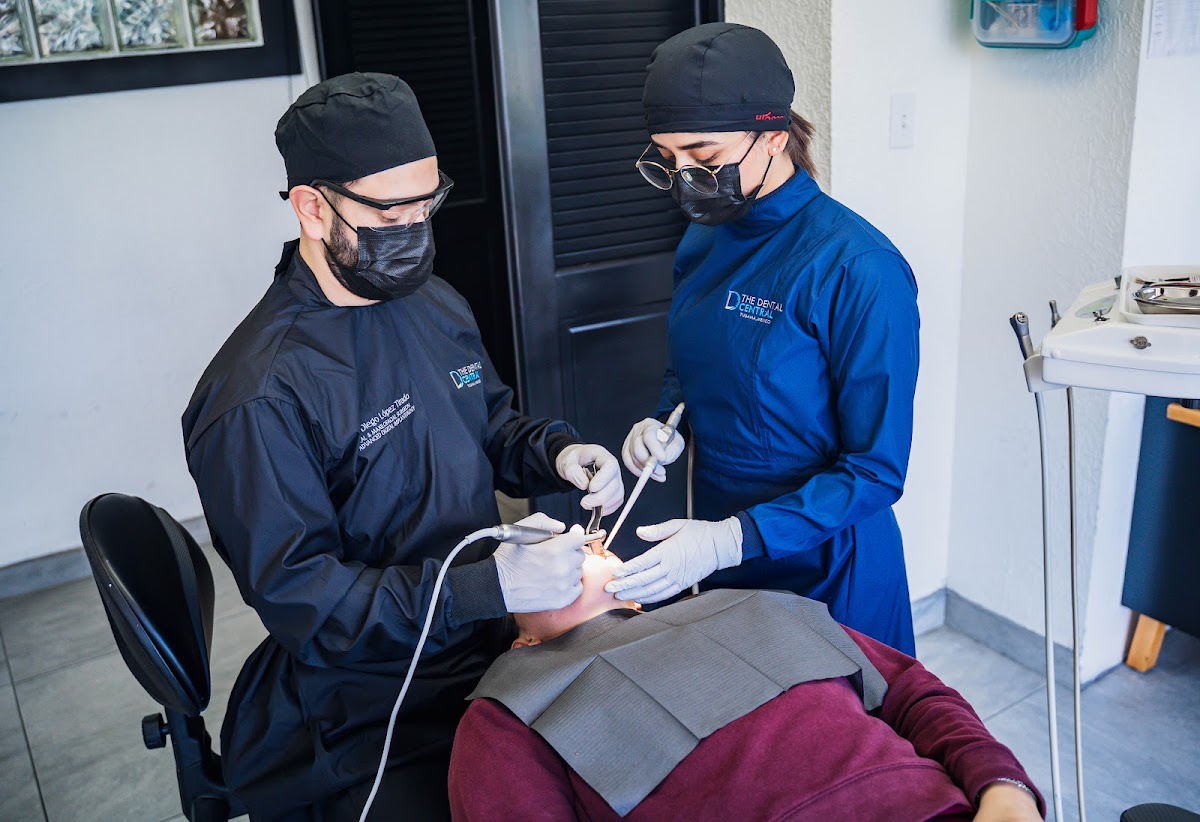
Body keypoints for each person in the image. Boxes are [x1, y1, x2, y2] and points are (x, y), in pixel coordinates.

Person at [181, 73, 624, 820]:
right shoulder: (259, 396)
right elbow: (308, 605)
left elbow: (487, 422)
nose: (416, 230)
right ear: (312, 209)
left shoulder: (431, 302)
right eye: (391, 212)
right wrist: (485, 588)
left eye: (428, 203)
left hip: (478, 648)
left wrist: (553, 452)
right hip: (369, 700)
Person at [613, 23, 921, 655]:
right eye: (667, 160)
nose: (685, 180)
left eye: (703, 156)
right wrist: (662, 422)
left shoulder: (856, 267)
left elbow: (876, 471)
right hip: (724, 552)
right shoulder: (704, 239)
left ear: (775, 135)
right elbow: (694, 363)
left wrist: (735, 538)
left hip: (826, 562)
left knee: (832, 743)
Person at [448, 546, 1044, 822]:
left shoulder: (750, 603)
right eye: (527, 557)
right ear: (520, 638)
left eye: (582, 541)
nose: (568, 546)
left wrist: (1004, 786)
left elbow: (913, 692)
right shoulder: (509, 712)